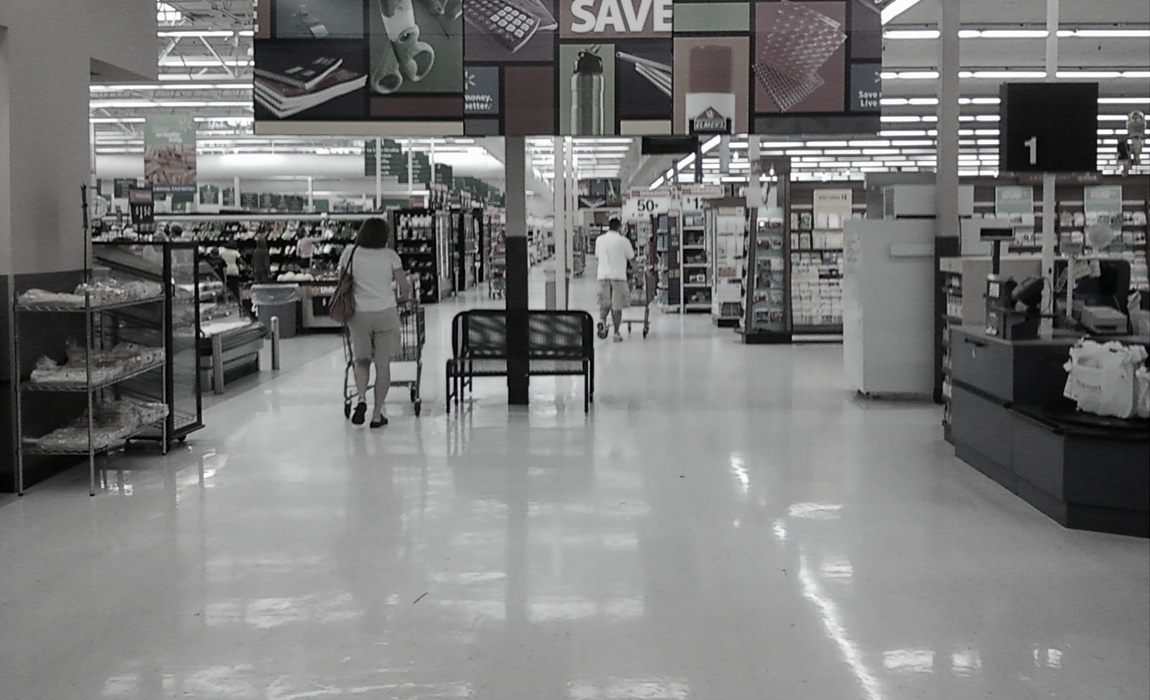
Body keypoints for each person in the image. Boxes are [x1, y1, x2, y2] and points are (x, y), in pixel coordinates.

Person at [337, 218, 413, 428]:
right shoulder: (390, 256)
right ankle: (377, 414)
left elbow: (340, 282)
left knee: (361, 361)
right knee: (383, 366)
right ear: (384, 236)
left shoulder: (349, 253)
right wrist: (403, 299)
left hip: (359, 314)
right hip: (386, 313)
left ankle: (361, 399)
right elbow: (405, 287)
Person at [595, 217, 635, 342]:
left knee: (605, 303)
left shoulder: (599, 240)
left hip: (603, 276)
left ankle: (602, 320)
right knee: (616, 306)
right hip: (618, 276)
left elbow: (597, 257)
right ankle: (616, 333)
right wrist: (635, 271)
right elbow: (632, 259)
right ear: (619, 228)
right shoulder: (623, 241)